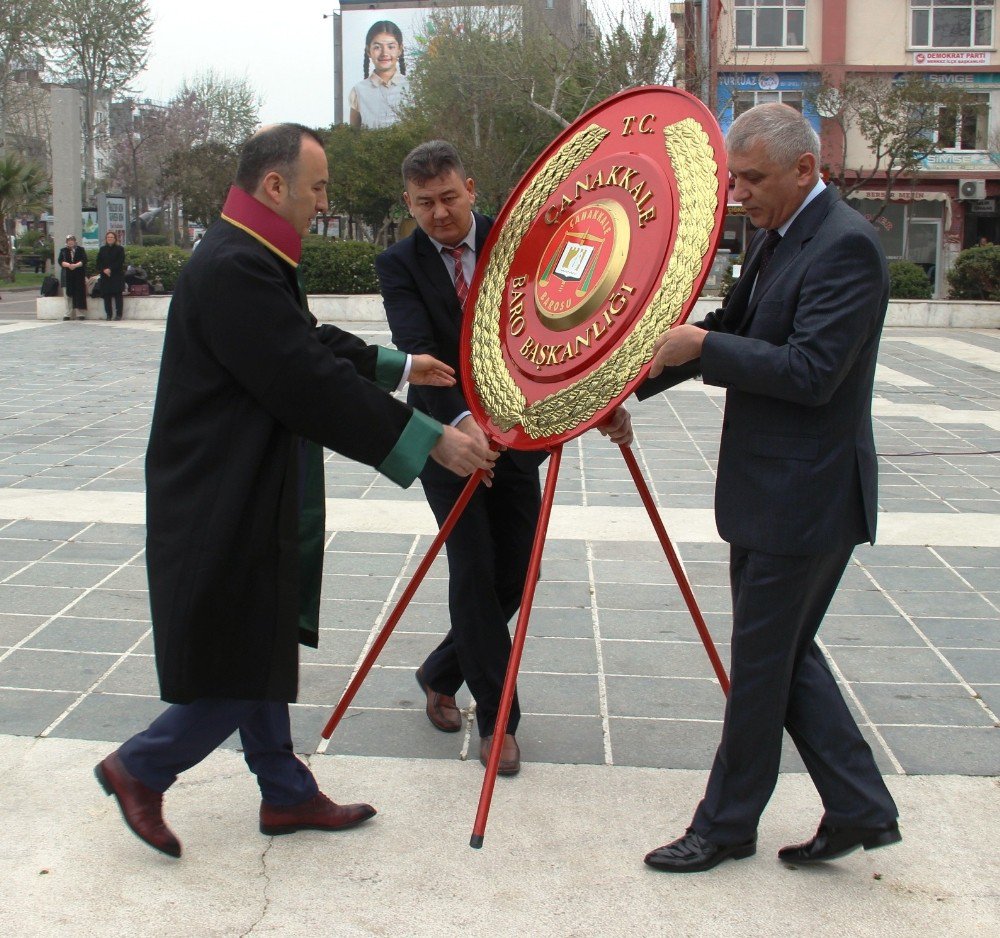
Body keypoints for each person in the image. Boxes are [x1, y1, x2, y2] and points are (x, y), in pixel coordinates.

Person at [94, 123, 497, 859]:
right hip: (220, 490)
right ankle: (142, 766)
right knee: (242, 647)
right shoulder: (233, 266)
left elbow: (303, 339)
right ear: (275, 186)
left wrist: (401, 365)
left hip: (246, 479)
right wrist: (430, 438)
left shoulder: (247, 254)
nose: (322, 202)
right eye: (316, 187)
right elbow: (303, 379)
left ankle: (283, 790)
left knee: (262, 628)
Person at [636, 103, 900, 873]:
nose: (737, 193)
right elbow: (736, 325)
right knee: (783, 657)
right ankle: (859, 805)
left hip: (806, 501)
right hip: (770, 495)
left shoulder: (845, 249)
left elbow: (812, 373)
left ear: (805, 170)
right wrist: (629, 385)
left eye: (750, 179)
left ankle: (724, 826)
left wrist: (708, 346)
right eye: (733, 178)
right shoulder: (778, 238)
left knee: (759, 668)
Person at [376, 140, 632, 776]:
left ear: (471, 187)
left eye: (449, 199)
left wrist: (601, 399)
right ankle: (497, 717)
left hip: (521, 439)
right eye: (424, 204)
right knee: (472, 567)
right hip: (449, 443)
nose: (438, 214)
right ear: (408, 203)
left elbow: (563, 325)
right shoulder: (399, 264)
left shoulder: (520, 239)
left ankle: (440, 671)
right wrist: (462, 424)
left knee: (514, 575)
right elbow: (420, 351)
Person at [348, 20, 409, 129]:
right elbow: (354, 135)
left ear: (400, 49)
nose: (384, 53)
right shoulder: (358, 91)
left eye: (391, 47)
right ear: (368, 51)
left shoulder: (414, 87)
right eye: (377, 47)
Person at [96, 231, 126, 320]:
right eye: (108, 237)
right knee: (106, 296)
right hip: (105, 276)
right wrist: (104, 270)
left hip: (116, 275)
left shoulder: (120, 249)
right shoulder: (102, 249)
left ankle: (118, 314)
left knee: (118, 296)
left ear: (115, 239)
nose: (110, 239)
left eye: (111, 237)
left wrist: (110, 269)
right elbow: (98, 262)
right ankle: (108, 314)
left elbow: (120, 261)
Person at [58, 235, 87, 320]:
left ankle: (79, 312)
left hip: (78, 274)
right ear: (66, 242)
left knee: (78, 293)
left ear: (75, 241)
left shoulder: (80, 250)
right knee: (67, 295)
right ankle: (68, 313)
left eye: (72, 240)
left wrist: (76, 265)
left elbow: (84, 260)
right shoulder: (63, 251)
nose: (70, 242)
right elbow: (60, 261)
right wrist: (68, 265)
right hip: (67, 275)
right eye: (69, 240)